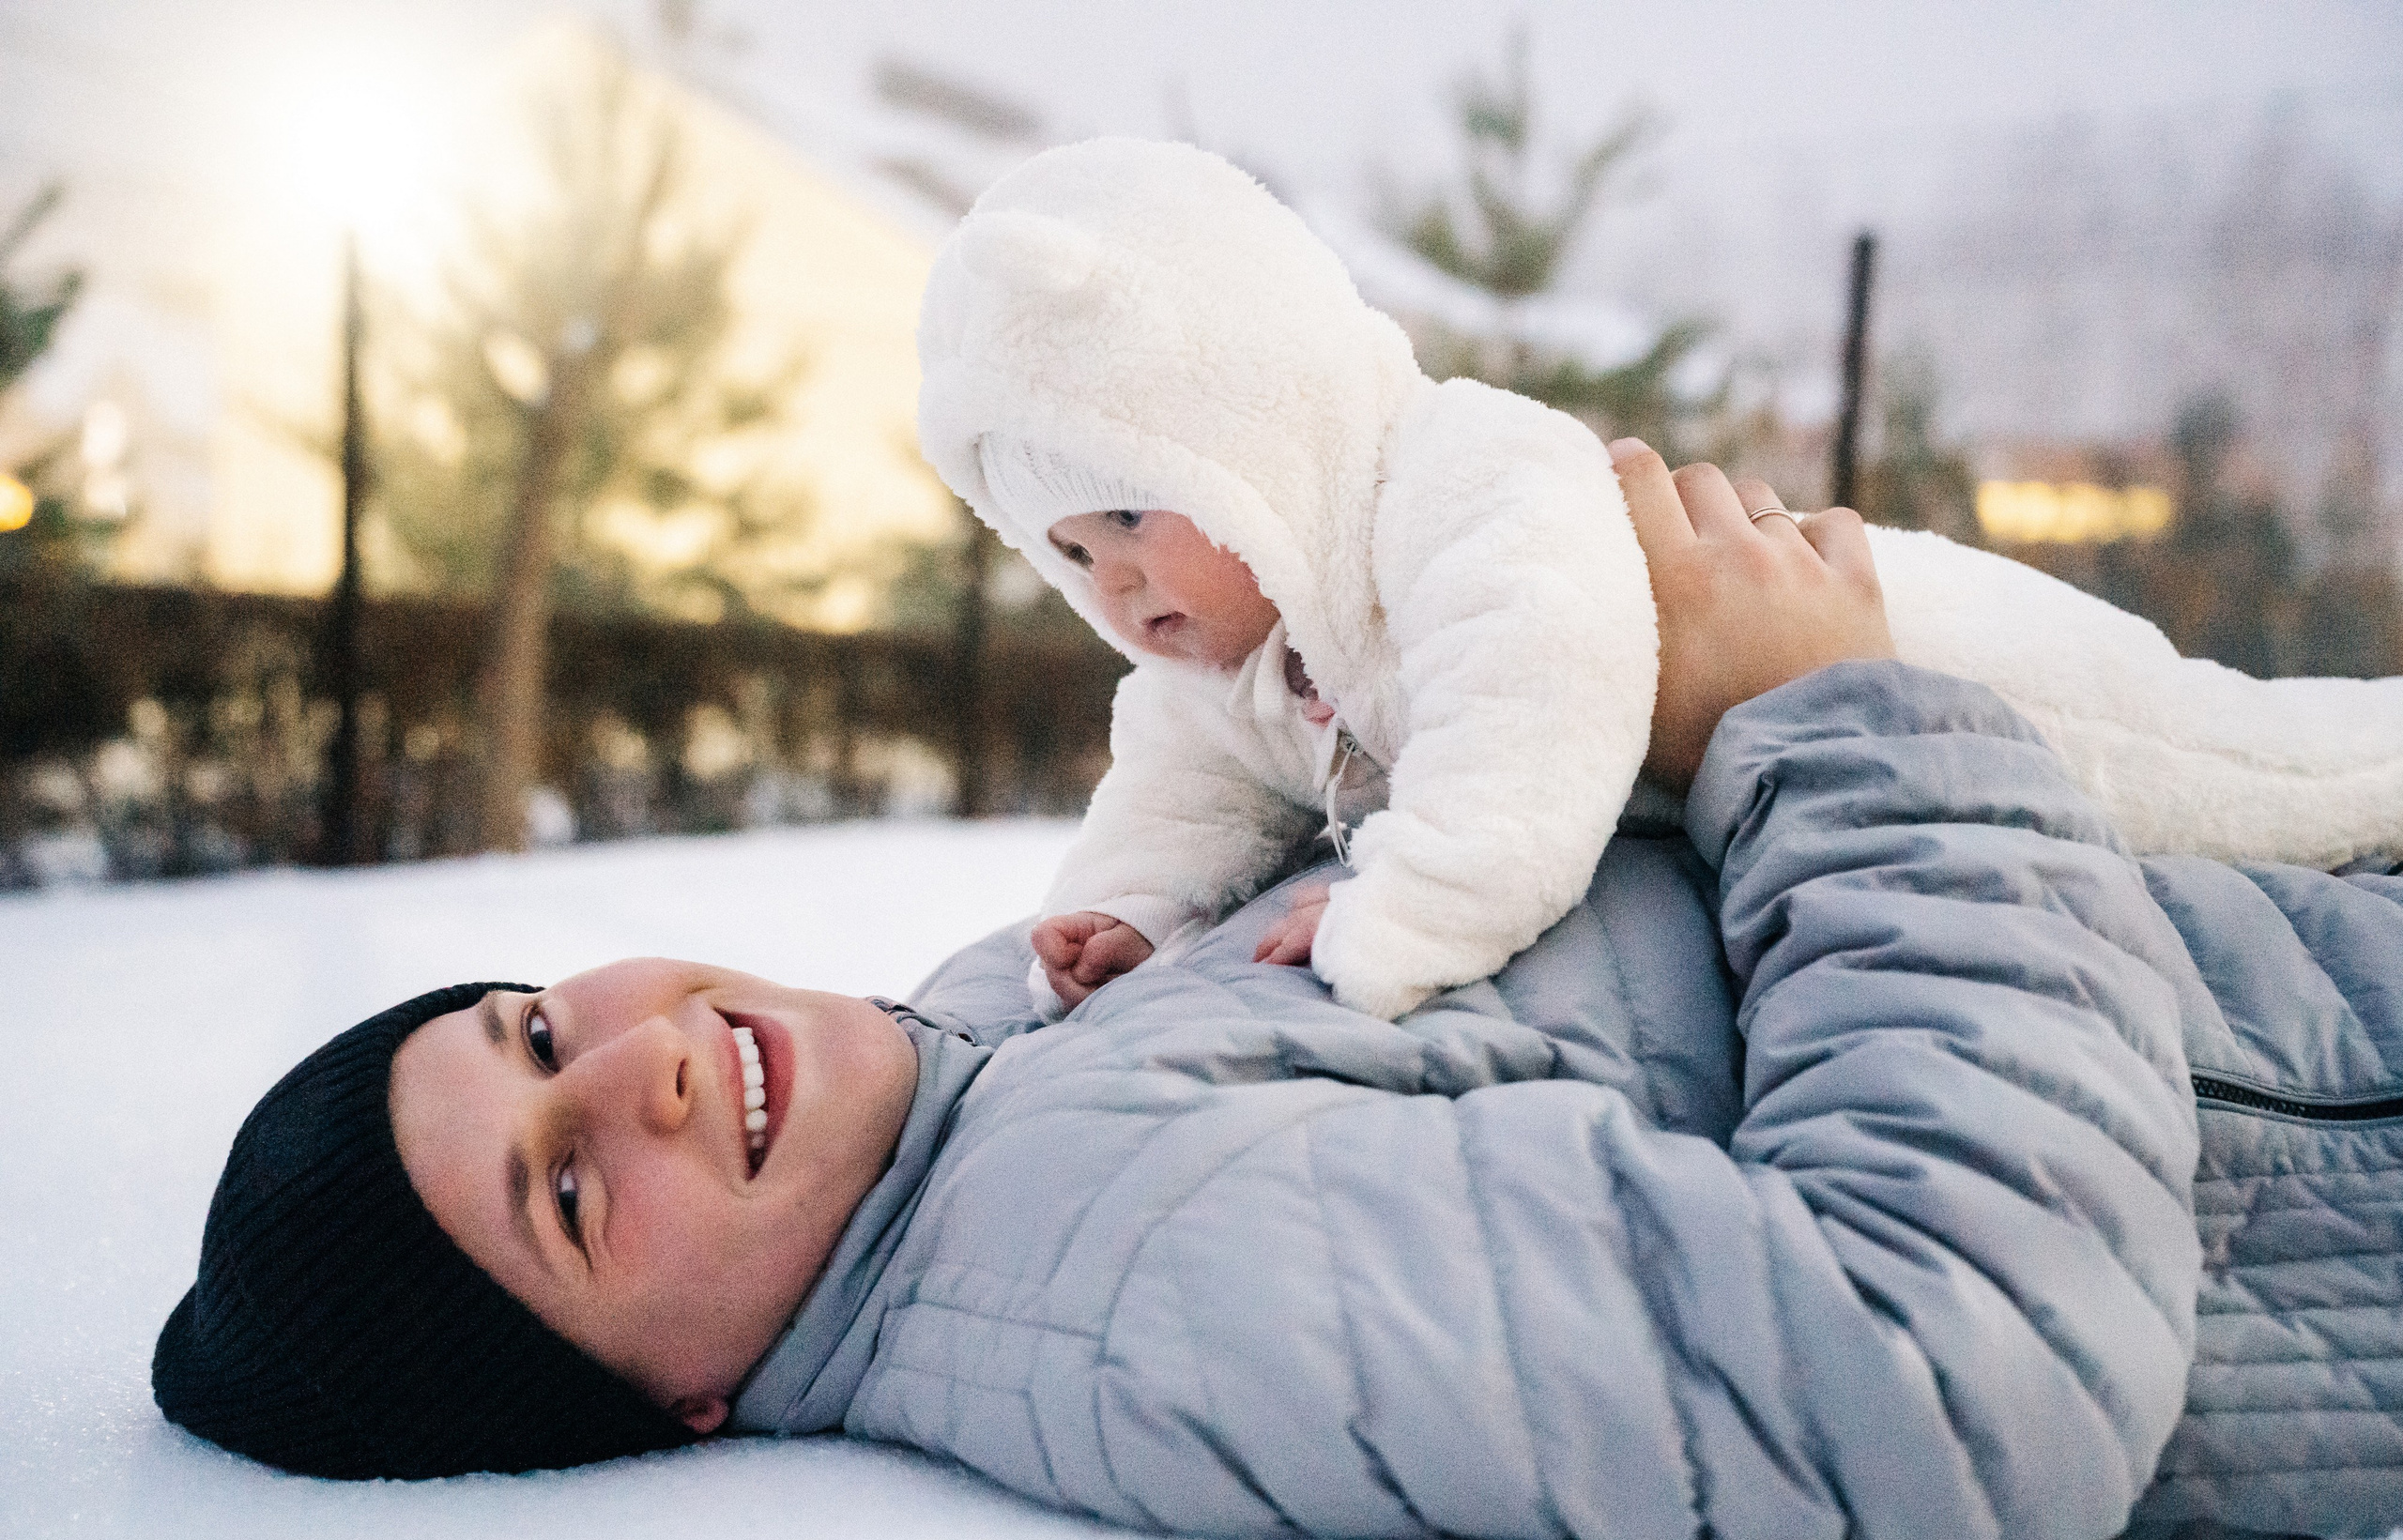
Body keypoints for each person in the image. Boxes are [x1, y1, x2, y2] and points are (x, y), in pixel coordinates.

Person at [153, 450, 2403, 1540]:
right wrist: (1830, 726)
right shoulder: (1122, 1276)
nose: (632, 1066)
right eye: (566, 1195)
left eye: (534, 1030)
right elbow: (1949, 1371)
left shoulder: (1004, 1059)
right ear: (675, 1404)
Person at [914, 137, 2403, 1023]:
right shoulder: (1223, 675)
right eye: (1069, 549)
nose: (1114, 582)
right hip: (1810, 757)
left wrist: (1419, 903)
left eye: (1134, 509)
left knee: (2256, 773)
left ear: (1260, 420)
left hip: (1914, 653)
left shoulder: (1453, 474)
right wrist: (1127, 917)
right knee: (2208, 859)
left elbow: (1538, 690)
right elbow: (1177, 806)